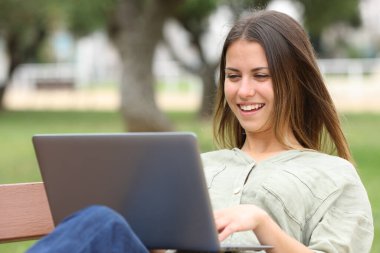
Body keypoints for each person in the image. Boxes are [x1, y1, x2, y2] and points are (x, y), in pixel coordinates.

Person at [26, 10, 373, 253]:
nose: (243, 91)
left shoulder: (334, 177)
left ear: (296, 81)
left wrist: (260, 223)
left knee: (100, 222)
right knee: (100, 222)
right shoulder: (195, 166)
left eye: (261, 76)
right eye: (233, 77)